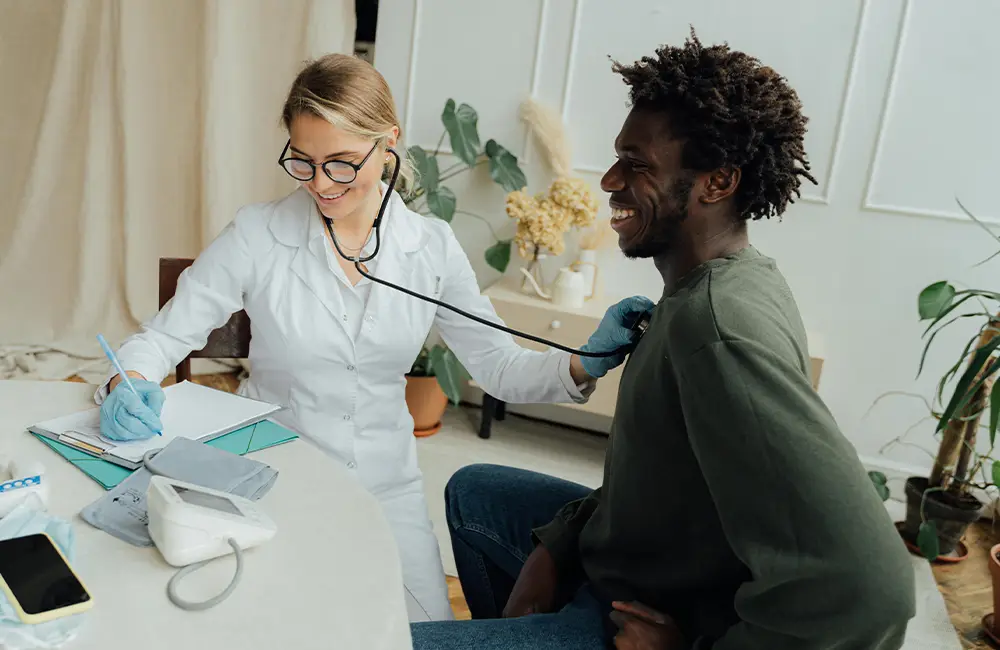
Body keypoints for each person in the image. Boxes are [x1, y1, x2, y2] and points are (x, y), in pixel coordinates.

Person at [92, 53, 650, 623]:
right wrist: (128, 380)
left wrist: (584, 363)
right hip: (271, 474)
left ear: (389, 143)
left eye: (340, 163)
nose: (320, 184)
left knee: (417, 630)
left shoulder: (429, 248)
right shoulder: (258, 234)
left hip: (387, 486)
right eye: (303, 162)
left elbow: (497, 366)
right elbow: (163, 335)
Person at [410, 30, 916, 649]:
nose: (611, 180)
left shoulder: (719, 331)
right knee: (475, 492)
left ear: (717, 182)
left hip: (646, 618)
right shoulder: (721, 284)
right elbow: (658, 477)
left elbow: (873, 589)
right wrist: (558, 546)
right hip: (637, 570)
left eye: (638, 165)